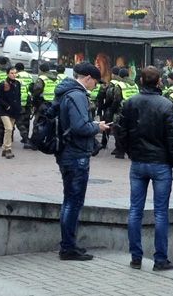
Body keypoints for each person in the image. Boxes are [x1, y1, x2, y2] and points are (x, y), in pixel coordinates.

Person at [118, 66, 173, 270]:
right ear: (158, 82)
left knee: (135, 210)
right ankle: (160, 259)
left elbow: (121, 132)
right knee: (161, 213)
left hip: (138, 163)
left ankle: (136, 257)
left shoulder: (130, 103)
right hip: (161, 164)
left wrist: (130, 152)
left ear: (141, 82)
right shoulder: (166, 105)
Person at [56, 62, 109, 261]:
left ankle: (68, 245)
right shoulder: (77, 95)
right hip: (76, 155)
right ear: (88, 78)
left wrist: (93, 124)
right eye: (95, 82)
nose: (95, 86)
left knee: (70, 200)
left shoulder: (66, 91)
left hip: (68, 153)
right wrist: (98, 127)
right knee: (73, 202)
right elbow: (80, 127)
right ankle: (68, 247)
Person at [0, 66, 21, 159]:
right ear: (7, 74)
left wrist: (18, 108)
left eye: (15, 73)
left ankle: (4, 149)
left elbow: (18, 97)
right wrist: (7, 106)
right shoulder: (3, 84)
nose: (14, 75)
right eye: (12, 73)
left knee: (9, 130)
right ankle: (8, 149)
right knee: (9, 129)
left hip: (14, 111)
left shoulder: (17, 83)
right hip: (4, 111)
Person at [14, 62, 35, 149]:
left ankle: (26, 139)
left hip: (19, 100)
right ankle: (26, 137)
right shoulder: (29, 76)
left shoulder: (16, 76)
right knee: (26, 119)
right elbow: (32, 87)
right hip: (28, 99)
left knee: (19, 121)